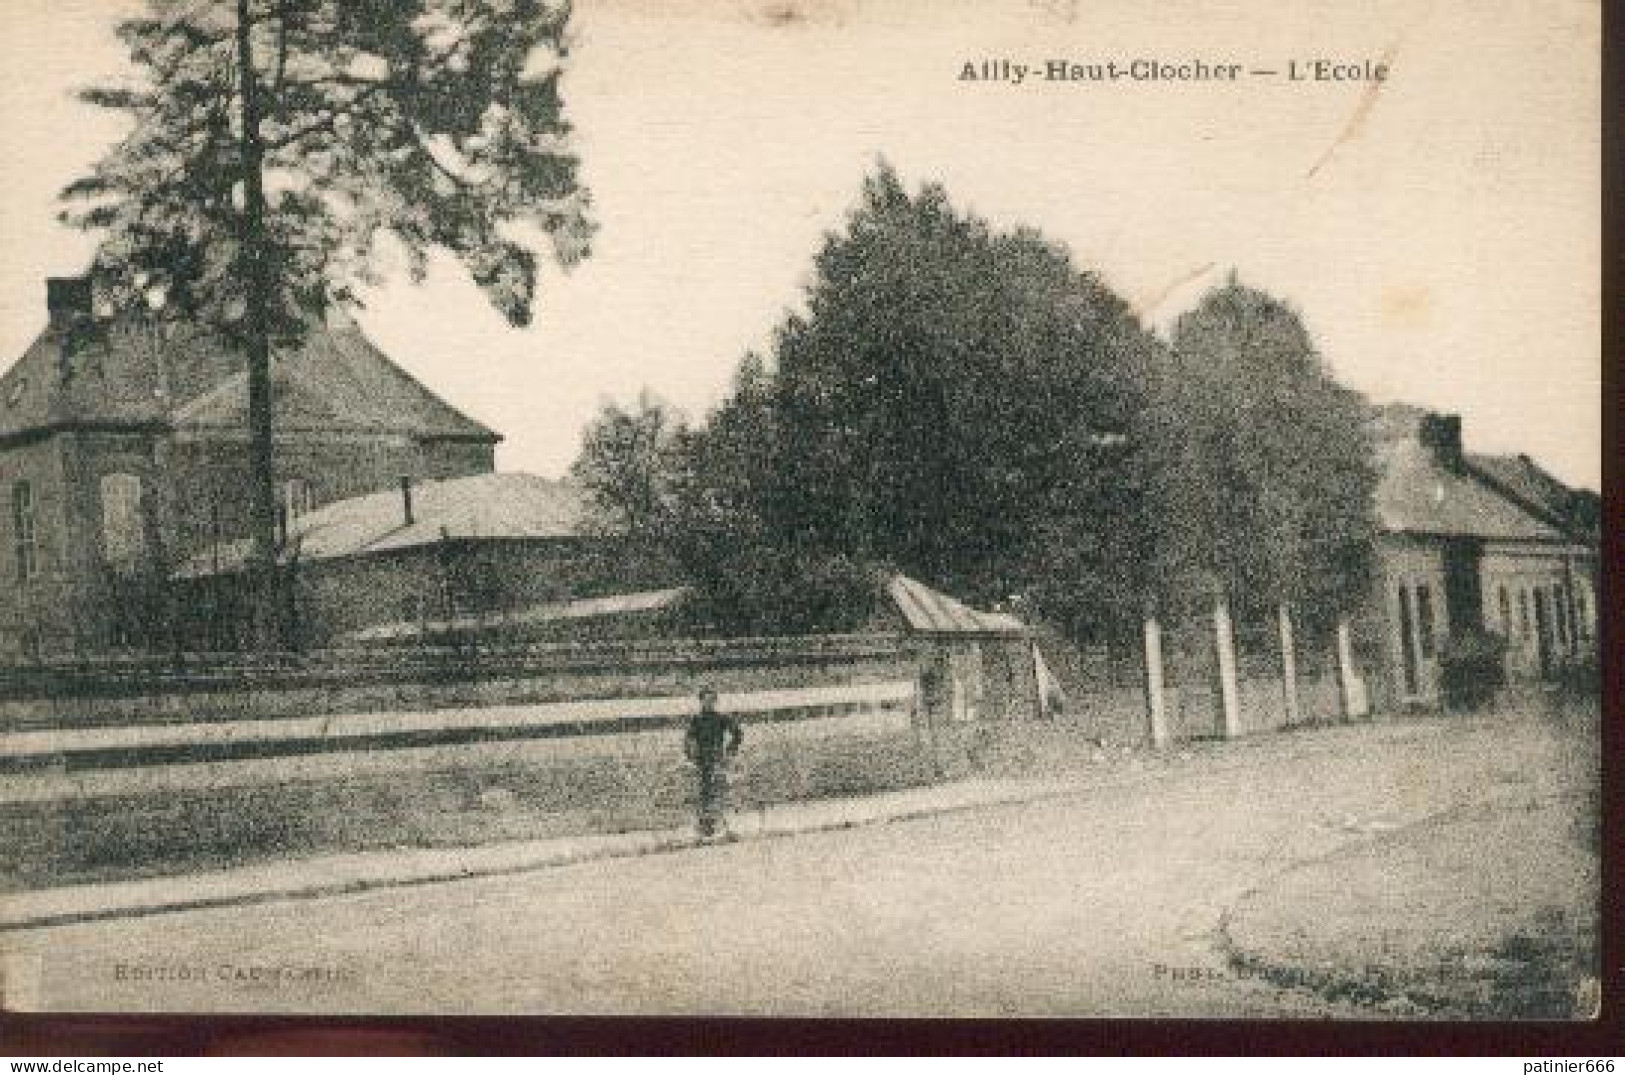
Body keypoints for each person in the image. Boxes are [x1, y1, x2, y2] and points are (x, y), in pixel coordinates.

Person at [685, 686, 743, 838]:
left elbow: (737, 733)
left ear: (715, 702)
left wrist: (730, 750)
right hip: (703, 762)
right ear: (701, 702)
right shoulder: (696, 720)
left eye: (712, 700)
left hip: (718, 760)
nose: (709, 703)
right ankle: (706, 827)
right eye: (706, 700)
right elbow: (688, 740)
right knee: (704, 794)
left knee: (720, 793)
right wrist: (691, 755)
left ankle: (725, 828)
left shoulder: (721, 718)